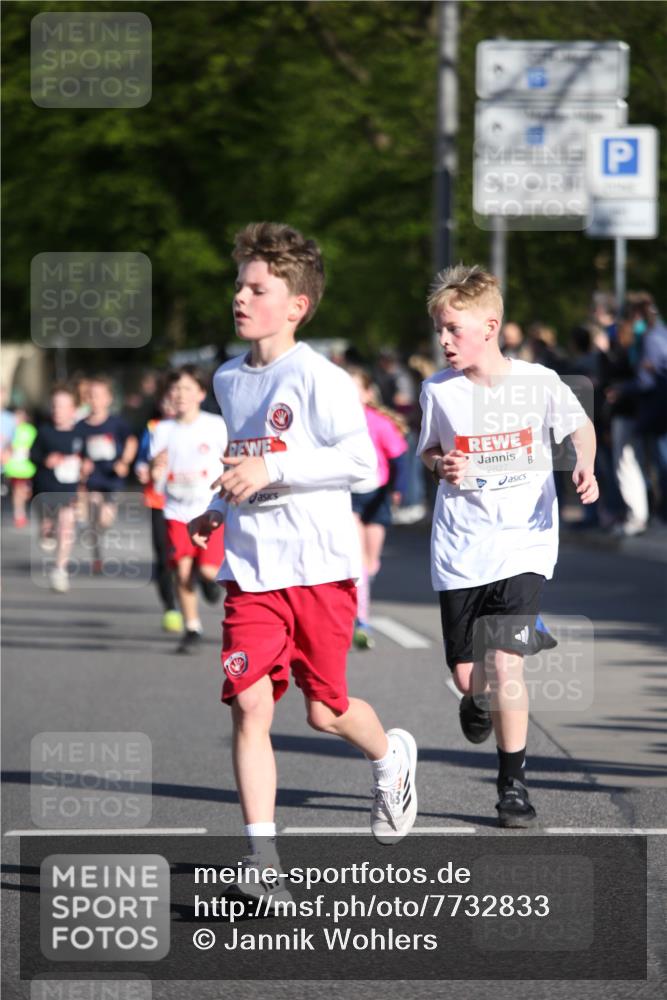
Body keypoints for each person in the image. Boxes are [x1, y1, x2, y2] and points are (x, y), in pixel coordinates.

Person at [187, 222, 418, 901]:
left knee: (325, 711)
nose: (240, 296)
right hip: (253, 571)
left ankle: (389, 758)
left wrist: (271, 465)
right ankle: (263, 865)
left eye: (257, 288)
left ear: (296, 306)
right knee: (249, 704)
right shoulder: (229, 378)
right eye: (238, 284)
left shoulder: (319, 377)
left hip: (318, 567)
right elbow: (242, 460)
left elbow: (360, 464)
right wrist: (218, 507)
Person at [418, 265, 597, 828]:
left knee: (505, 661)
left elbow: (580, 426)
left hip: (525, 541)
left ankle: (512, 785)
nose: (444, 341)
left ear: (490, 326)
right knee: (473, 678)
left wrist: (585, 463)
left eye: (453, 329)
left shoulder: (538, 382)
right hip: (460, 547)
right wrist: (440, 464)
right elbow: (426, 452)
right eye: (440, 331)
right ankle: (473, 701)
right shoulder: (437, 391)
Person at [149, 366, 227, 654]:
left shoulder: (215, 425)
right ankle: (192, 627)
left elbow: (231, 459)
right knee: (182, 572)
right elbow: (155, 475)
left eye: (186, 388)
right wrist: (154, 470)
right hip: (176, 510)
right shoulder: (163, 429)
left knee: (208, 571)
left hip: (210, 509)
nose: (180, 395)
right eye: (175, 390)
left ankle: (211, 586)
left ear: (201, 393)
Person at [347, 366, 409, 649]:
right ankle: (361, 621)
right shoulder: (333, 424)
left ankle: (360, 597)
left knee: (370, 564)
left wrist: (398, 489)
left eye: (354, 387)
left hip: (377, 496)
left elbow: (399, 458)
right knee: (357, 561)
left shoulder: (379, 423)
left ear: (368, 392)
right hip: (347, 497)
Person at [134, 380, 183, 634]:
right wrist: (142, 470)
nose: (171, 403)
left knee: (191, 557)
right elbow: (141, 460)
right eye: (167, 398)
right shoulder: (153, 428)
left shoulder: (201, 427)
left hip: (192, 503)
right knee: (165, 557)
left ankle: (204, 583)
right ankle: (171, 607)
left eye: (175, 397)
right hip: (159, 501)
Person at [76, 375, 138, 572]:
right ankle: (97, 556)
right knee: (93, 507)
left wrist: (125, 461)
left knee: (104, 520)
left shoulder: (116, 423)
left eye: (99, 396)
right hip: (92, 478)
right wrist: (81, 463)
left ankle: (96, 536)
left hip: (111, 477)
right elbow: (75, 450)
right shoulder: (81, 426)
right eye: (91, 396)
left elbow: (131, 441)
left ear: (108, 399)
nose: (94, 400)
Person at [30, 386, 83, 593]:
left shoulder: (79, 433)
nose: (57, 410)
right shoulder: (44, 432)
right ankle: (45, 530)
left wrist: (85, 465)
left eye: (62, 406)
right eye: (54, 406)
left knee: (66, 526)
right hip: (44, 489)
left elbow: (86, 457)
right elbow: (32, 456)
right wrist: (46, 460)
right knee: (48, 528)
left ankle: (60, 569)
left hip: (68, 490)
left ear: (73, 409)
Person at [4, 407, 37, 527]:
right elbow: (7, 446)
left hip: (27, 468)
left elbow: (35, 447)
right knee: (17, 492)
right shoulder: (11, 429)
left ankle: (20, 512)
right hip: (14, 468)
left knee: (24, 492)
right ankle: (19, 514)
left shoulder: (31, 430)